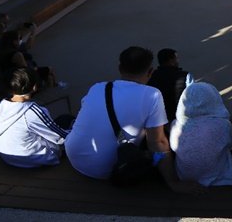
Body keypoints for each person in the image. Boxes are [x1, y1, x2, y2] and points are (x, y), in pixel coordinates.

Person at [65, 47, 180, 189]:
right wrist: (173, 182)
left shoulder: (98, 87)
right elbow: (158, 142)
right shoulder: (152, 95)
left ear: (120, 68)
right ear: (150, 72)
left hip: (75, 157)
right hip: (110, 168)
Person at [0, 68, 68, 168]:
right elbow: (59, 138)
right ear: (34, 87)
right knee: (66, 120)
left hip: (9, 158)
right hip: (34, 159)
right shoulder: (31, 111)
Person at [170, 82, 232, 187]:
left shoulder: (175, 125)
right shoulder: (223, 125)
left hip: (184, 177)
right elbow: (231, 143)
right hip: (220, 180)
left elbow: (174, 147)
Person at [147, 48, 193, 122]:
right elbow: (193, 96)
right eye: (176, 58)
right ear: (171, 60)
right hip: (181, 117)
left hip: (159, 119)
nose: (178, 61)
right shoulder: (185, 75)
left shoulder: (151, 76)